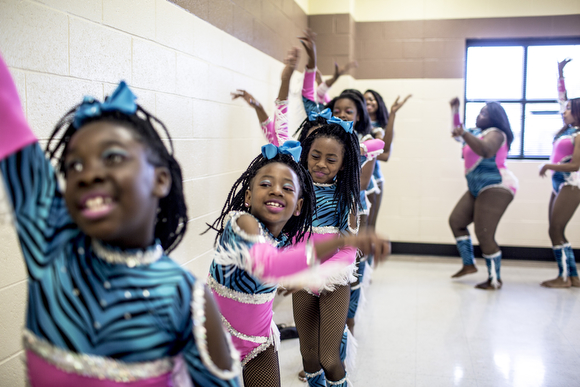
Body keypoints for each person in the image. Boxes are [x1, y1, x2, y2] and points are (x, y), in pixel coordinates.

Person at [0, 53, 241, 386]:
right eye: (75, 166)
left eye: (112, 157)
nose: (87, 175)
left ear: (160, 179)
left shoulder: (185, 298)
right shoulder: (51, 245)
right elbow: (5, 114)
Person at [205, 141, 390, 387]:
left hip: (260, 341)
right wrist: (353, 240)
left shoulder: (281, 239)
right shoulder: (242, 224)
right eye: (265, 184)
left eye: (288, 188)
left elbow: (285, 263)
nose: (277, 191)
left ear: (298, 206)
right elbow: (269, 265)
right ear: (248, 196)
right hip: (216, 335)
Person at [448, 98, 518, 290]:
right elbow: (457, 133)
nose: (479, 115)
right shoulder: (476, 133)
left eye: (484, 113)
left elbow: (486, 150)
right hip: (476, 186)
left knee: (484, 233)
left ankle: (494, 279)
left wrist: (464, 133)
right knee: (457, 221)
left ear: (495, 118)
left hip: (496, 185)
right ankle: (468, 264)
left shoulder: (496, 133)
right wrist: (455, 109)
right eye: (479, 112)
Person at [537, 58, 580, 288]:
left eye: (569, 110)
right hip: (559, 185)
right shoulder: (567, 130)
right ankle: (572, 276)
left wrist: (548, 166)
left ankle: (564, 277)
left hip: (571, 185)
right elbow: (562, 99)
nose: (564, 112)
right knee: (557, 229)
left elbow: (575, 166)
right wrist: (560, 74)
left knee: (555, 229)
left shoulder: (579, 135)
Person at [364, 91, 411, 237]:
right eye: (364, 100)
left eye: (371, 99)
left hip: (375, 180)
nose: (368, 102)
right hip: (357, 180)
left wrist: (393, 114)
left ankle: (366, 258)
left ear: (378, 102)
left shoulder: (382, 126)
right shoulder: (357, 123)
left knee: (370, 226)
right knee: (358, 224)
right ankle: (357, 257)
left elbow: (385, 154)